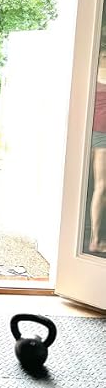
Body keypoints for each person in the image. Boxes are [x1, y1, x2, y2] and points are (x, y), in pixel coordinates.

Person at [89, 46, 106, 253]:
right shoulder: (92, 75)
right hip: (101, 135)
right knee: (101, 187)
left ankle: (96, 239)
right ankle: (95, 240)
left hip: (96, 133)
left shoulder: (92, 75)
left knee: (101, 188)